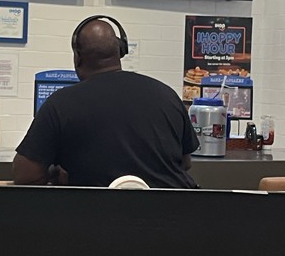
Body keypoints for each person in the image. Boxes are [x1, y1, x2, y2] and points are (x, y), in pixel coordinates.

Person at [13, 16, 199, 188]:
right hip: (173, 216)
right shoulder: (166, 95)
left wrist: (55, 173)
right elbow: (185, 162)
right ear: (120, 51)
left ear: (78, 58)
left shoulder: (60, 104)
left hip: (96, 219)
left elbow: (26, 175)